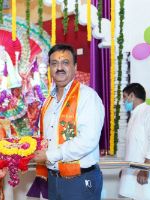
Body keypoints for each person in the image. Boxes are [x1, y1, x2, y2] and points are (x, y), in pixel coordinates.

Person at [33, 44, 105, 199]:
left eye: (65, 62)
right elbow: (47, 138)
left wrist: (50, 155)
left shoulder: (87, 97)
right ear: (50, 68)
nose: (59, 68)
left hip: (79, 181)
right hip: (54, 179)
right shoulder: (48, 100)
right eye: (54, 63)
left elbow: (87, 140)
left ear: (75, 67)